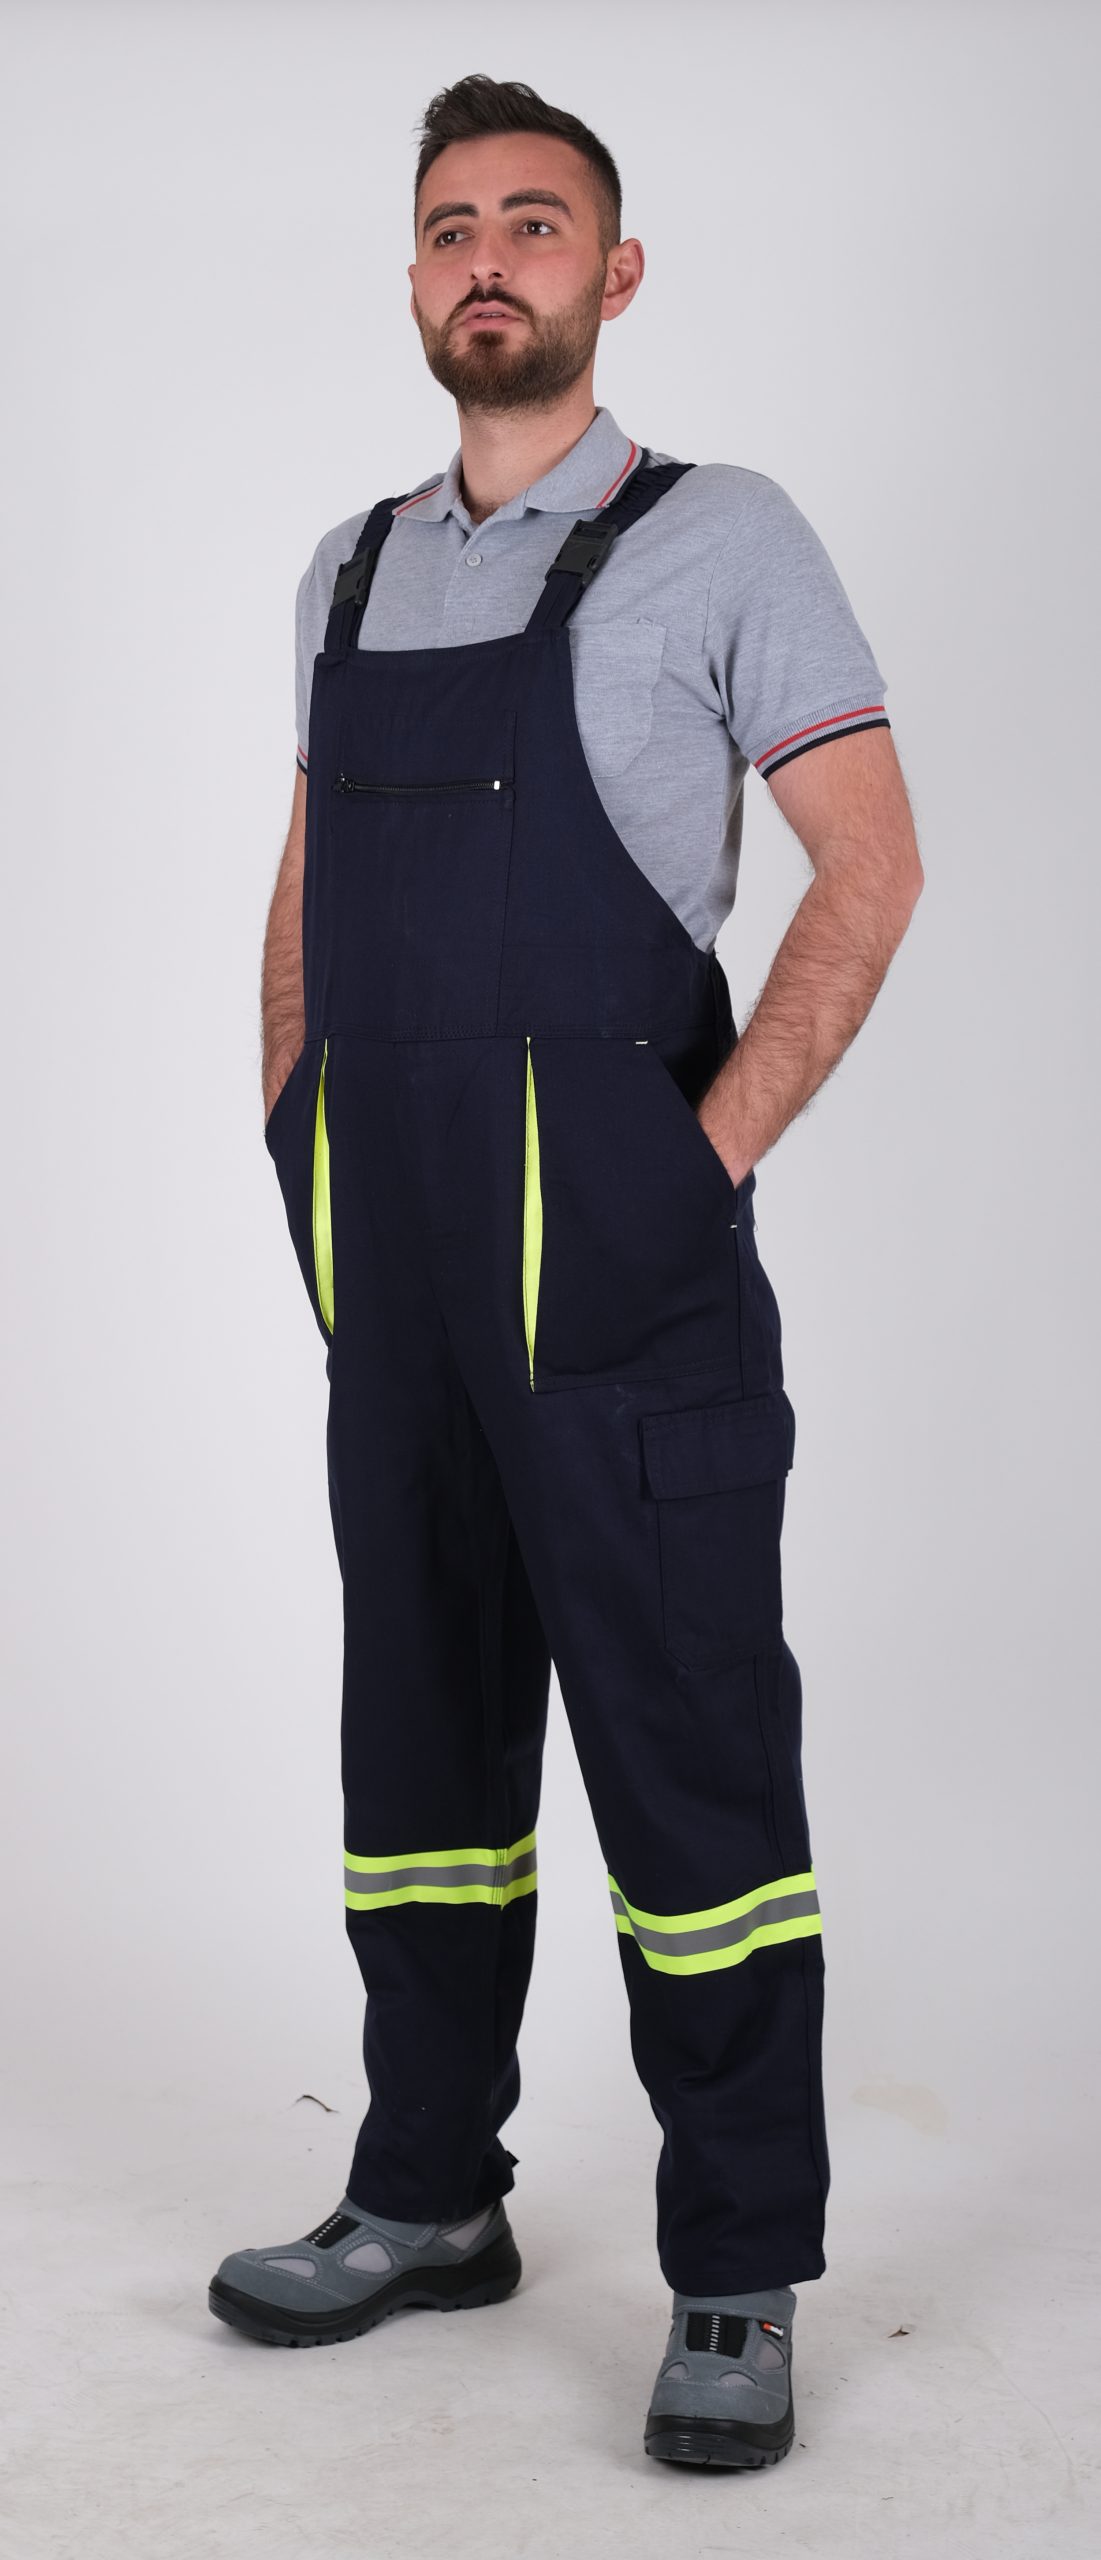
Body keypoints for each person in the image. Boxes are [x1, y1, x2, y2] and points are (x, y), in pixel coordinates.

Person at [208, 73, 923, 2470]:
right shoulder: (344, 570)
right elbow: (305, 882)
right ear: (413, 279)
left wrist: (689, 1166)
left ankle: (733, 2263)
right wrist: (299, 1129)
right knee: (416, 1752)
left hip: (624, 1294)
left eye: (533, 223)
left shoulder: (722, 536)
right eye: (449, 227)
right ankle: (427, 2191)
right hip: (398, 1282)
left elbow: (866, 868)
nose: (485, 258)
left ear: (612, 274)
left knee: (689, 1764)